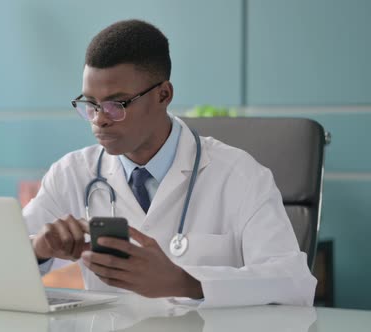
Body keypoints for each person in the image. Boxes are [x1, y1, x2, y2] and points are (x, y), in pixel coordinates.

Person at [23, 19, 316, 307]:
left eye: (117, 104)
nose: (99, 119)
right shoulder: (71, 174)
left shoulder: (239, 175)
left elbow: (293, 283)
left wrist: (186, 282)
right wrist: (39, 249)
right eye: (90, 104)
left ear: (163, 95)